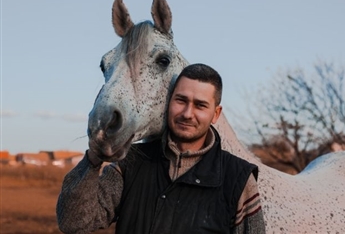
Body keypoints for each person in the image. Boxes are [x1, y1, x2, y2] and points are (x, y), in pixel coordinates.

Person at [56, 63, 266, 234]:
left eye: (200, 105)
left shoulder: (238, 178)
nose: (187, 113)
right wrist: (94, 157)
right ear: (168, 102)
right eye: (181, 100)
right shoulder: (131, 163)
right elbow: (73, 223)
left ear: (215, 114)